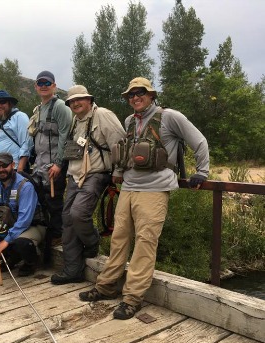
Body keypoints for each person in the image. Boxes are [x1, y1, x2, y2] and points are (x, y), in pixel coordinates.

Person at [78, 77, 210, 320]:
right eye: (131, 95)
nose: (135, 98)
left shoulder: (170, 117)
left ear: (151, 95)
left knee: (145, 243)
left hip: (155, 190)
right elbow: (124, 154)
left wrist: (202, 172)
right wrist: (118, 176)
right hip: (128, 188)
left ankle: (132, 298)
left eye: (140, 93)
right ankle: (106, 286)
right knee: (118, 239)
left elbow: (199, 141)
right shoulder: (129, 121)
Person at [51, 85, 126, 285]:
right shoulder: (76, 121)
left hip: (96, 174)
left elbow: (120, 144)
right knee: (67, 219)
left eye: (80, 99)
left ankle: (92, 242)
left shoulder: (102, 115)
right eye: (72, 101)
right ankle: (72, 270)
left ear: (89, 100)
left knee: (78, 213)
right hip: (74, 175)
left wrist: (118, 172)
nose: (75, 103)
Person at [0, 152, 46, 277]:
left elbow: (24, 220)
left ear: (12, 165)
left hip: (31, 226)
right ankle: (10, 257)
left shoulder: (25, 186)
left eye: (4, 166)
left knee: (20, 242)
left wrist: (6, 240)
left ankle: (31, 262)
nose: (1, 170)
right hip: (6, 225)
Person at [28, 70, 73, 254]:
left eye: (48, 83)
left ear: (54, 85)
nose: (44, 86)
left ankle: (58, 236)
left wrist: (59, 164)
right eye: (40, 83)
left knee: (55, 203)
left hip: (54, 167)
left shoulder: (60, 107)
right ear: (36, 86)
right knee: (42, 202)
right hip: (39, 166)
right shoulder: (38, 109)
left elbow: (65, 135)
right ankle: (46, 237)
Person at [0, 90, 32, 174]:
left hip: (12, 171)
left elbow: (26, 143)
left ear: (9, 104)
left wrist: (20, 170)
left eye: (3, 102)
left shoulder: (20, 117)